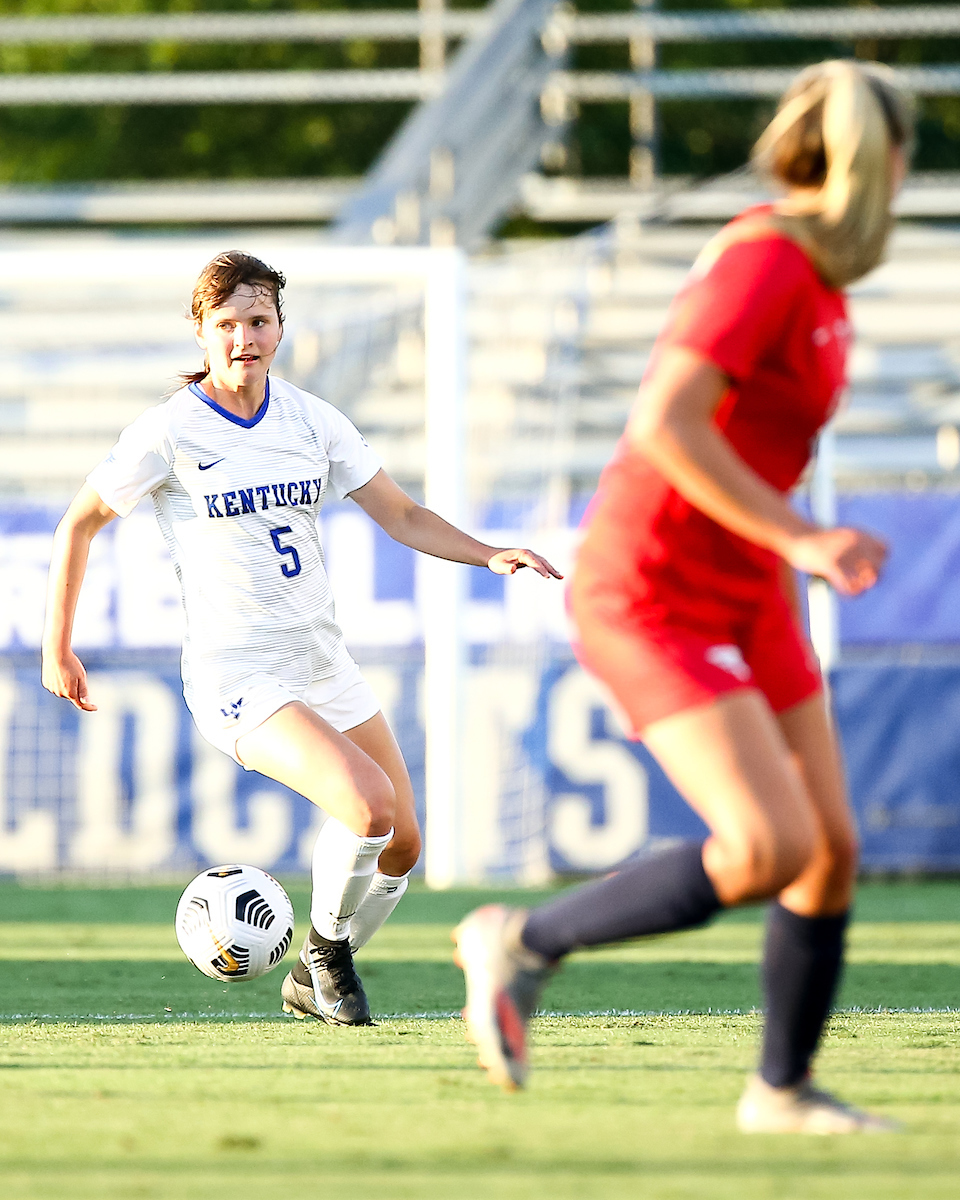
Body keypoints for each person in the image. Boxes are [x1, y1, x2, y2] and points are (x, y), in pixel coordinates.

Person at [454, 60, 912, 1133]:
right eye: (902, 152)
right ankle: (523, 940)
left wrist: (785, 548)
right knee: (764, 849)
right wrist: (803, 536)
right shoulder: (765, 262)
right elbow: (665, 424)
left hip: (745, 584)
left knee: (829, 849)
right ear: (870, 160)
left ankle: (780, 1093)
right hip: (652, 584)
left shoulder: (817, 277)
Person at [42, 250, 560, 1027]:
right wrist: (59, 646)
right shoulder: (169, 432)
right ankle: (326, 956)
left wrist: (489, 552)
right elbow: (79, 524)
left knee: (402, 845)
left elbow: (404, 515)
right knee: (367, 804)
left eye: (259, 320)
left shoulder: (311, 419)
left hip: (322, 662)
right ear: (200, 332)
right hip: (237, 673)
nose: (244, 336)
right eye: (227, 323)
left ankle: (309, 974)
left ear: (280, 327)